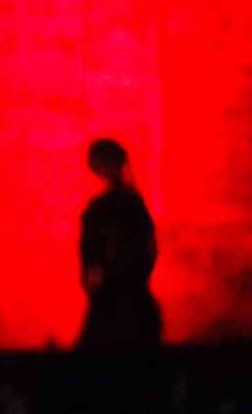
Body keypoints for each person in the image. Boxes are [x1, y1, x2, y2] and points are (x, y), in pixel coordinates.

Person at [77, 138, 161, 351]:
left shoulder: (107, 207)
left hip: (122, 290)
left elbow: (89, 250)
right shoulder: (127, 205)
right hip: (127, 289)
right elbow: (149, 244)